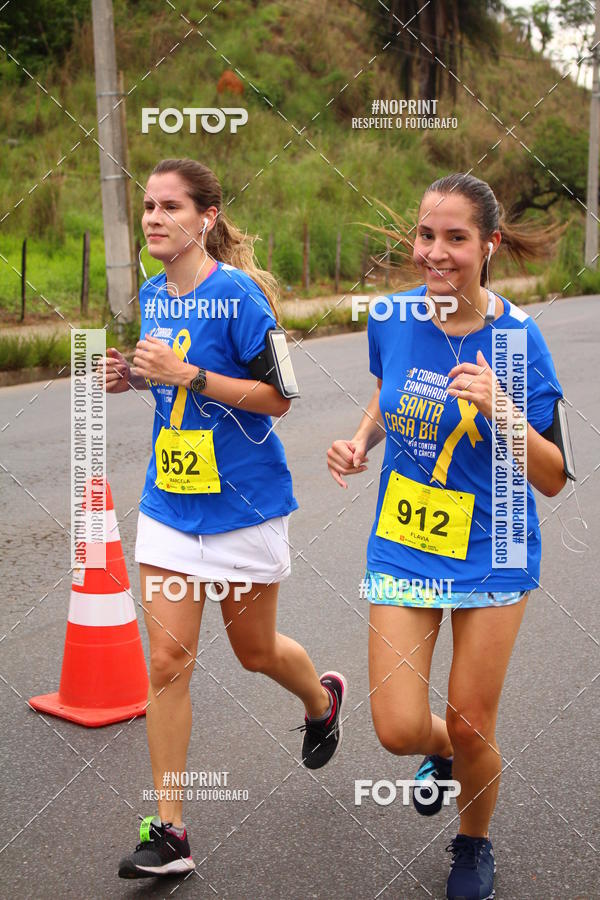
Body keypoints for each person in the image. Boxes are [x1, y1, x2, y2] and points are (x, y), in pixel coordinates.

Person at [101, 158, 347, 879]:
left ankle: (320, 699)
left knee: (256, 653)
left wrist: (189, 378)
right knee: (168, 663)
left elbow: (279, 398)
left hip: (243, 508)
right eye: (147, 205)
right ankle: (169, 830)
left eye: (169, 206)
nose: (153, 217)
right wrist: (135, 375)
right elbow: (166, 377)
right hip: (171, 508)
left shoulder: (238, 295)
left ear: (204, 219)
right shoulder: (153, 294)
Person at [327, 173, 570, 900]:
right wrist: (362, 439)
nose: (436, 253)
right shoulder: (392, 316)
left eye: (456, 238)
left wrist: (502, 408)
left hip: (492, 547)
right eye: (427, 235)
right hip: (404, 541)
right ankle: (447, 755)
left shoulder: (518, 339)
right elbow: (387, 387)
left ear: (489, 244)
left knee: (471, 722)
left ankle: (473, 843)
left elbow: (555, 475)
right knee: (401, 729)